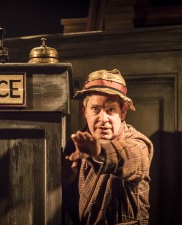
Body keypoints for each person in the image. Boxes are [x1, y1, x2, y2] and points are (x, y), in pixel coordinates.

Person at [62, 69, 154, 225]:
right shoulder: (76, 143)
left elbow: (131, 156)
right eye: (95, 109)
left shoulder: (138, 143)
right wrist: (65, 182)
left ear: (123, 112)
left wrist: (98, 152)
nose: (103, 119)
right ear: (85, 111)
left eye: (111, 110)